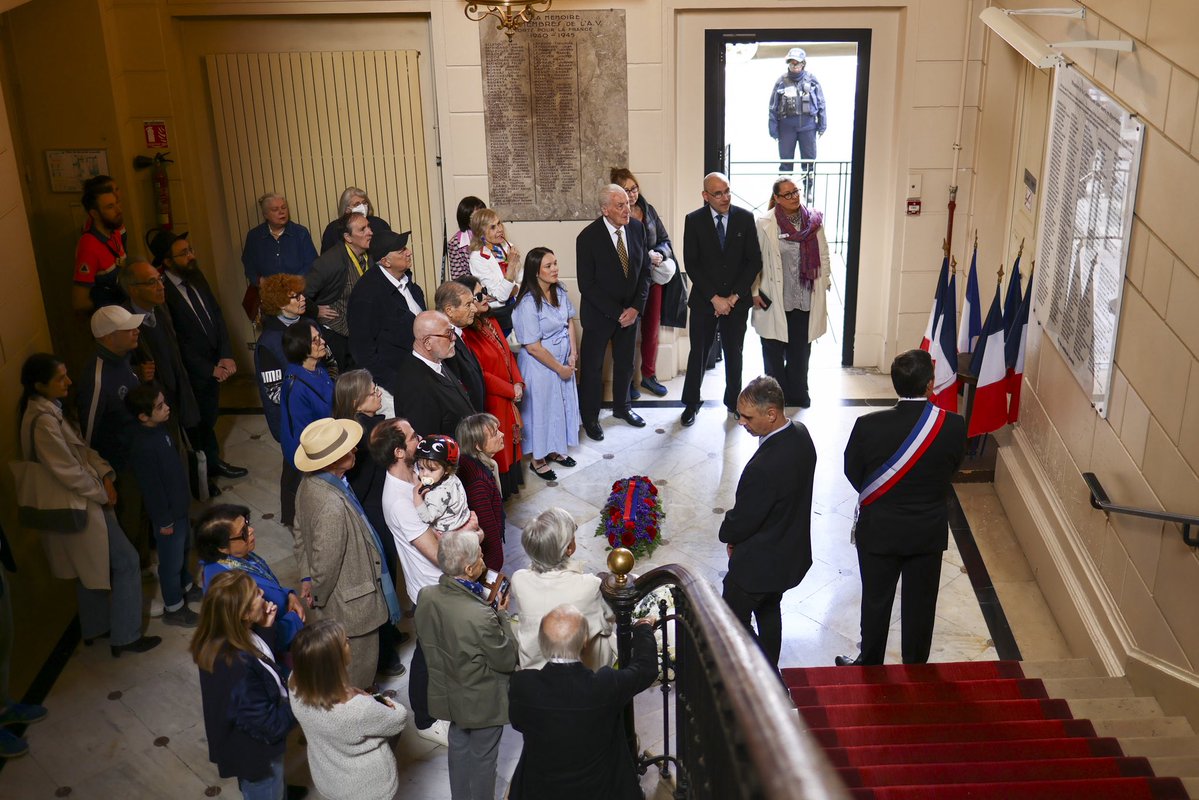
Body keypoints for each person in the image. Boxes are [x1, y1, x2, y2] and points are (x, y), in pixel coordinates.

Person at [19, 353, 160, 658]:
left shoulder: (52, 411)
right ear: (39, 385)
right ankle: (126, 635)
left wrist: (106, 475)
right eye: (60, 378)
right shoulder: (42, 422)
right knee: (125, 561)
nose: (68, 382)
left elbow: (83, 453)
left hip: (86, 499)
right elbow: (68, 471)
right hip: (82, 503)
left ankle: (96, 628)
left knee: (89, 567)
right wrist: (102, 492)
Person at [838, 349, 966, 667]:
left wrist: (884, 499)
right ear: (930, 384)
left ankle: (869, 664)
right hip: (926, 531)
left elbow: (853, 471)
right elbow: (952, 468)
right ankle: (915, 671)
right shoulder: (953, 425)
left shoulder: (868, 425)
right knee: (921, 606)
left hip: (879, 528)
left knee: (876, 600)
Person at [373, 419, 480, 747]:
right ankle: (424, 718)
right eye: (413, 436)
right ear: (398, 451)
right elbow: (438, 555)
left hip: (448, 580)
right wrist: (468, 534)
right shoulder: (400, 502)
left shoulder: (418, 473)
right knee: (428, 654)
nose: (420, 439)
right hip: (433, 587)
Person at [294, 417, 403, 689]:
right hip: (353, 608)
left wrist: (306, 576)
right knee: (358, 678)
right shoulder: (331, 505)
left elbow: (300, 533)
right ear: (332, 461)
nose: (355, 451)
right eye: (348, 449)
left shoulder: (308, 484)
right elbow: (326, 563)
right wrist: (316, 589)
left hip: (343, 600)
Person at [507, 605, 658, 800]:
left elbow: (518, 723)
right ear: (585, 642)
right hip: (600, 790)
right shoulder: (604, 685)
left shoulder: (522, 685)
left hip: (540, 789)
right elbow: (645, 668)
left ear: (542, 642)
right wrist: (643, 627)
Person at [719, 376, 817, 670]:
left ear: (771, 414)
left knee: (730, 621)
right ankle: (772, 672)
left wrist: (728, 533)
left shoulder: (764, 467)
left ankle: (759, 675)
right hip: (787, 557)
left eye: (747, 417)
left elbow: (743, 520)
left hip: (758, 565)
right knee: (769, 609)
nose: (742, 423)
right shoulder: (801, 434)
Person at [414, 530, 518, 800]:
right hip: (481, 700)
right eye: (480, 556)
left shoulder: (425, 596)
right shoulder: (480, 615)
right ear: (470, 568)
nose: (484, 558)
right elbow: (506, 658)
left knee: (459, 745)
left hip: (447, 691)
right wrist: (502, 616)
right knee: (484, 759)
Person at [153, 230, 249, 484]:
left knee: (209, 416)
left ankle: (212, 463)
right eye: (183, 253)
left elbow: (216, 314)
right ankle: (204, 474)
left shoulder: (194, 274)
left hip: (215, 360)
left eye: (190, 249)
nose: (192, 256)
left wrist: (226, 354)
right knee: (197, 423)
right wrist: (208, 368)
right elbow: (177, 342)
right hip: (192, 371)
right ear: (167, 261)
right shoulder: (162, 291)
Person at [192, 570, 295, 800]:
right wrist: (302, 699)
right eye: (257, 594)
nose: (263, 593)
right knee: (267, 790)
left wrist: (267, 628)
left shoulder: (228, 635)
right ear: (245, 613)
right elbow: (270, 724)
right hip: (257, 754)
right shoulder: (233, 665)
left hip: (249, 741)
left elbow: (260, 666)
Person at [334, 370, 408, 677]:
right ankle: (385, 653)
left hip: (380, 508)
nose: (378, 393)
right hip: (373, 514)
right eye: (372, 391)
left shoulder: (369, 425)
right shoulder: (360, 436)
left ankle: (391, 635)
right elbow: (361, 486)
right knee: (383, 579)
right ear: (355, 401)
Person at [289, 620, 407, 800]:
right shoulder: (357, 708)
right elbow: (398, 718)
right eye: (345, 641)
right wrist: (378, 698)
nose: (349, 641)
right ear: (333, 660)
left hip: (328, 777)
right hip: (367, 787)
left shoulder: (295, 685)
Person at [680, 172, 763, 426]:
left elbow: (754, 261)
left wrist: (734, 297)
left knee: (734, 352)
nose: (725, 197)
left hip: (736, 302)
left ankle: (733, 403)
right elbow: (691, 264)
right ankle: (691, 404)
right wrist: (714, 298)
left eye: (727, 191)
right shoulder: (693, 221)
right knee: (699, 353)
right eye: (718, 193)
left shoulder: (745, 218)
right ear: (706, 196)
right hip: (706, 300)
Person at [575, 185, 653, 440]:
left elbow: (644, 273)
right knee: (593, 369)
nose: (627, 209)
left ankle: (623, 407)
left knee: (625, 364)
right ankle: (590, 417)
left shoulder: (637, 228)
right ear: (604, 209)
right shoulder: (587, 237)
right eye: (620, 205)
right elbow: (587, 284)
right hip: (600, 315)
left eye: (627, 204)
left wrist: (635, 309)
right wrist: (618, 312)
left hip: (630, 314)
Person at [75, 305, 150, 566]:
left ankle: (145, 557)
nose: (136, 331)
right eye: (128, 329)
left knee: (143, 511)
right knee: (129, 516)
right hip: (120, 465)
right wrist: (104, 476)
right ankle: (135, 571)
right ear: (108, 338)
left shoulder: (123, 360)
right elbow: (87, 436)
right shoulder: (96, 379)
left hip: (139, 453)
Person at [752, 177, 832, 409]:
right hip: (774, 296)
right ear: (776, 198)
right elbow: (755, 260)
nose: (794, 196)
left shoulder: (814, 221)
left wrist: (824, 279)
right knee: (773, 352)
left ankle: (798, 392)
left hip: (805, 296)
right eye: (787, 194)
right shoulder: (765, 223)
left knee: (800, 352)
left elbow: (824, 253)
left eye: (795, 191)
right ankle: (775, 397)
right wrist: (754, 290)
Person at [125, 382, 199, 627]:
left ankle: (186, 585)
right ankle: (174, 607)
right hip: (167, 516)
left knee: (184, 549)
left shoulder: (160, 429)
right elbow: (152, 489)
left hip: (179, 507)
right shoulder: (143, 446)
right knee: (170, 562)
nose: (166, 408)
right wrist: (164, 520)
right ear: (143, 416)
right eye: (159, 407)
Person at [509, 507, 615, 671]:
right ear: (569, 548)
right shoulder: (588, 585)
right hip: (581, 669)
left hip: (534, 669)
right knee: (606, 637)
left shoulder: (518, 579)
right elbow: (607, 624)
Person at [196, 504, 307, 652]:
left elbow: (267, 580)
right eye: (243, 532)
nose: (251, 530)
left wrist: (289, 595)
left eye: (247, 523)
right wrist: (294, 619)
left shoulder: (237, 556)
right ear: (222, 547)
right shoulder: (228, 584)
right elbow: (260, 635)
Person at [120, 259, 201, 455]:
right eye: (152, 282)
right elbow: (115, 365)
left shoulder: (161, 308)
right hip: (152, 401)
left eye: (160, 279)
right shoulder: (123, 322)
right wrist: (135, 372)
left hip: (175, 389)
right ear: (133, 290)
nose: (160, 286)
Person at [512, 247, 580, 480]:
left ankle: (555, 449)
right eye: (549, 266)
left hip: (563, 362)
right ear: (535, 271)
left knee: (559, 406)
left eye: (556, 263)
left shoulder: (559, 291)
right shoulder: (527, 303)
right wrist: (560, 368)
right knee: (541, 411)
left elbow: (569, 321)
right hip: (539, 367)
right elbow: (533, 346)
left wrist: (572, 353)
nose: (555, 269)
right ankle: (538, 459)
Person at [611, 168, 675, 399]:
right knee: (627, 332)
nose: (632, 194)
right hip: (627, 283)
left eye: (634, 188)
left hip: (653, 279)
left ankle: (649, 376)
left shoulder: (648, 211)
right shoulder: (613, 215)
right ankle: (627, 382)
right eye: (626, 190)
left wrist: (658, 252)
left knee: (651, 329)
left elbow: (665, 241)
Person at [461, 283, 524, 496]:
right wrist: (510, 390)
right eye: (479, 295)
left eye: (485, 291)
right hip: (493, 398)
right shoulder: (466, 334)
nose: (486, 297)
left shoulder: (491, 319)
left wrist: (518, 383)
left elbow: (507, 353)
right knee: (499, 446)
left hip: (508, 392)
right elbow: (480, 373)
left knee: (512, 444)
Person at [347, 229, 425, 394]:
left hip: (421, 376)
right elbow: (363, 352)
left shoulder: (410, 285)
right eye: (401, 250)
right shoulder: (366, 295)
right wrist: (396, 385)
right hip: (394, 387)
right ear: (385, 262)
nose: (409, 252)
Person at [279, 320, 335, 528]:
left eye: (319, 336)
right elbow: (304, 436)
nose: (323, 342)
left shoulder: (318, 369)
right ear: (301, 346)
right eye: (315, 340)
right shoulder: (296, 386)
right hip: (315, 455)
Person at [305, 211, 374, 368]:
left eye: (369, 227)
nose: (370, 232)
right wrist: (315, 310)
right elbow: (302, 293)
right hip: (337, 333)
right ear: (348, 238)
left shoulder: (371, 255)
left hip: (362, 330)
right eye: (362, 229)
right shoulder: (329, 263)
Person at [391, 311, 476, 438]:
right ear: (427, 343)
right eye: (448, 334)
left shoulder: (437, 360)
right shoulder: (415, 386)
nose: (454, 338)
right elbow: (429, 443)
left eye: (452, 331)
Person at [255, 273, 313, 445]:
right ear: (280, 303)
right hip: (293, 420)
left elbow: (330, 363)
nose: (303, 299)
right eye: (296, 297)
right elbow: (274, 392)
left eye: (302, 294)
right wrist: (311, 394)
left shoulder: (310, 325)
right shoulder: (268, 343)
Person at [768, 47, 827, 201]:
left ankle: (808, 190)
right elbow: (773, 106)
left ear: (803, 64)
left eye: (797, 63)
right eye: (791, 62)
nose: (794, 66)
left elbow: (821, 103)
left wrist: (822, 124)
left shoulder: (812, 80)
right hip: (786, 127)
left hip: (808, 126)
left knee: (808, 161)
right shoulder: (781, 81)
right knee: (786, 162)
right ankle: (783, 193)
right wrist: (773, 129)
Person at [455, 413, 506, 572]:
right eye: (495, 434)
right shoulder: (478, 482)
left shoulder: (475, 463)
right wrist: (494, 570)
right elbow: (487, 532)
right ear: (478, 445)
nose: (502, 434)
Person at [72, 182, 127, 312]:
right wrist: (110, 305)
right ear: (94, 214)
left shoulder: (115, 232)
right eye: (110, 207)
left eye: (117, 203)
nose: (119, 210)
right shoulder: (89, 247)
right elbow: (80, 302)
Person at [241, 193, 318, 286]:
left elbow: (311, 263)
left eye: (284, 207)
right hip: (267, 292)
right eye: (275, 209)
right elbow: (249, 266)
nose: (281, 212)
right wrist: (262, 282)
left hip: (297, 289)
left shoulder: (300, 232)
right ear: (265, 215)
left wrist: (293, 283)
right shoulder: (254, 236)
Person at [436, 281, 486, 413]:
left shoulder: (459, 334)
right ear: (449, 310)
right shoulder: (445, 343)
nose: (474, 309)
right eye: (468, 305)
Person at [413, 435, 471, 534]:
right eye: (421, 468)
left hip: (449, 534)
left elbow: (428, 518)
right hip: (463, 522)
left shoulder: (439, 492)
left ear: (447, 470)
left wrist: (416, 497)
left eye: (431, 470)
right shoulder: (451, 478)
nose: (425, 474)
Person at [468, 208, 522, 304]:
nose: (500, 229)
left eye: (499, 223)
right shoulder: (477, 258)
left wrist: (515, 289)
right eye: (493, 227)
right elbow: (502, 296)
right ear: (481, 234)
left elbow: (523, 281)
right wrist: (511, 265)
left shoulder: (507, 246)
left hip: (517, 303)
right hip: (499, 313)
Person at [319, 186, 393, 254]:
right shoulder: (333, 229)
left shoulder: (379, 224)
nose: (362, 207)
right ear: (347, 209)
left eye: (364, 203)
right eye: (357, 204)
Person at [447, 196, 486, 280]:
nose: (480, 220)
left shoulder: (492, 233)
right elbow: (458, 278)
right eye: (475, 217)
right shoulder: (455, 243)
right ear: (465, 219)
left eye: (482, 215)